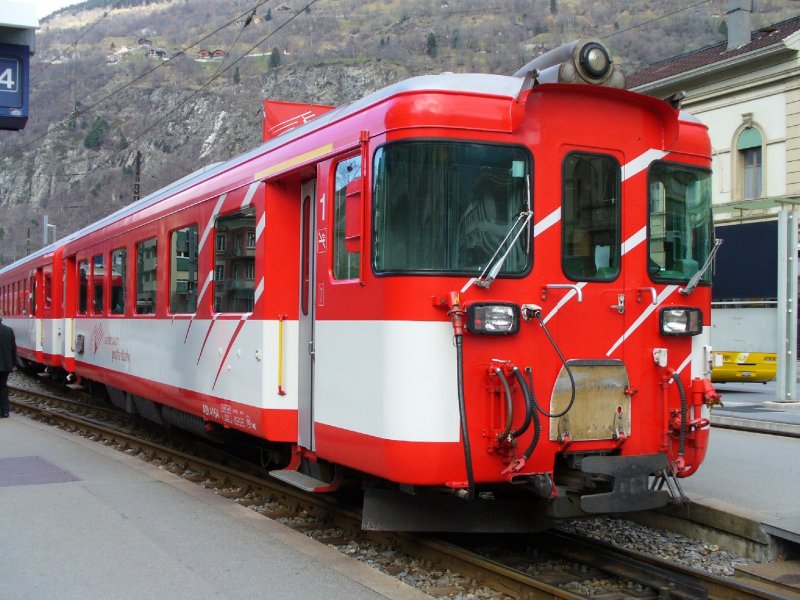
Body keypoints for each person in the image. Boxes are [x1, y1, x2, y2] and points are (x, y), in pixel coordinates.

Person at [0, 311, 17, 418]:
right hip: (5, 366)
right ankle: (5, 411)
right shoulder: (9, 330)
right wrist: (13, 364)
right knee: (3, 387)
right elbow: (13, 349)